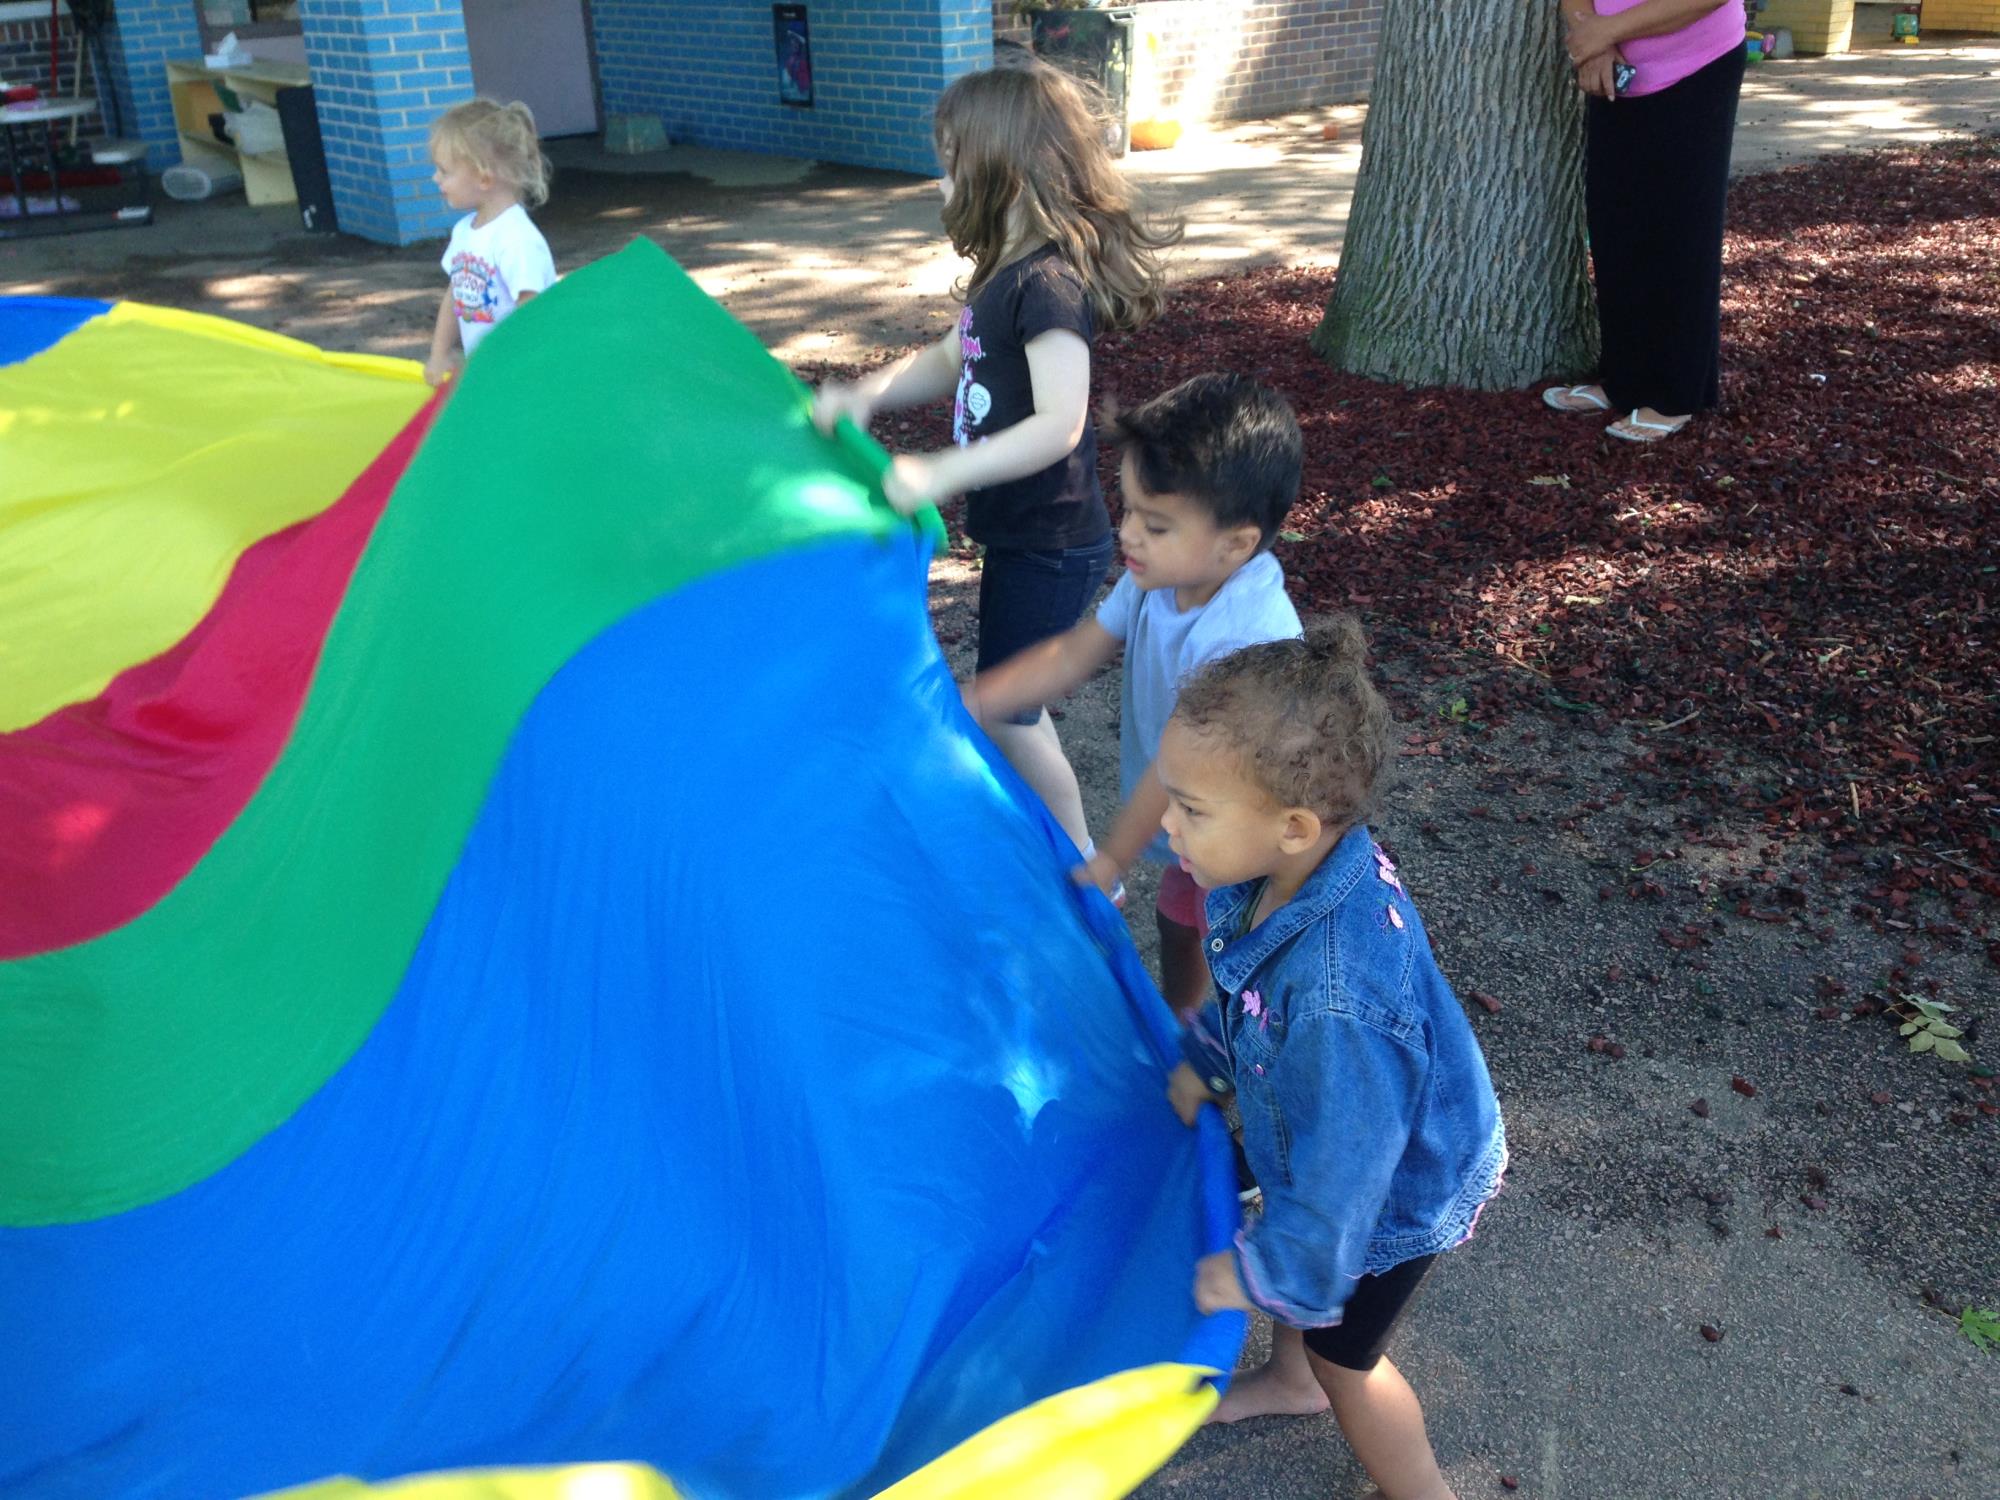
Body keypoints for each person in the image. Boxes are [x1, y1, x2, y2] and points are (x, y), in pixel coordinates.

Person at [1161, 624, 1507, 1500]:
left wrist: (1255, 1272)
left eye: (1191, 810)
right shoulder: (1280, 872)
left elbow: (1340, 1183)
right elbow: (1251, 1004)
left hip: (1397, 1185)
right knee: (1311, 1289)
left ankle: (1421, 1489)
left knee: (1349, 1359)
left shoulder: (1336, 997)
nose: (1166, 826)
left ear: (1295, 825)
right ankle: (1288, 1384)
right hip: (1341, 1131)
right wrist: (1208, 1054)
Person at [813, 62, 1179, 857]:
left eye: (951, 164)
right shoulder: (1004, 277)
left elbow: (1060, 424)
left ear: (998, 170)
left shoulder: (1049, 285)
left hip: (1053, 543)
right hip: (1021, 535)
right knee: (1006, 701)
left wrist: (941, 472)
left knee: (1010, 713)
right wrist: (866, 394)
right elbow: (950, 360)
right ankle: (1060, 850)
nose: (942, 183)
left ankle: (1090, 870)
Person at [966, 374, 1303, 1015]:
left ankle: (1226, 1064)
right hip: (1200, 817)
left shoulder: (1241, 636)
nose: (1128, 535)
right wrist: (979, 698)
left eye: (1155, 524)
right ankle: (1179, 1024)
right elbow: (1073, 652)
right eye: (1128, 511)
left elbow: (1177, 764)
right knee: (1178, 916)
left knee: (1237, 952)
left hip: (1251, 837)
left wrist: (1113, 857)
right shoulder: (1162, 575)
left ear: (1237, 544)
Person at [1544, 1, 1749, 443]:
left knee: (1681, 232)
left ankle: (1676, 395)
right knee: (1617, 226)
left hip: (1697, 66)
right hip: (1615, 68)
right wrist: (1593, 40)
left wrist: (1607, 29)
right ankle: (1624, 381)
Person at [426, 99, 557, 388]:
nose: (436, 178)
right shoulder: (464, 231)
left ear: (483, 177)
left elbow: (531, 311)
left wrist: (512, 368)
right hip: (490, 375)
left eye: (445, 171)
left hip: (524, 376)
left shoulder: (516, 239)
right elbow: (455, 294)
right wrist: (439, 354)